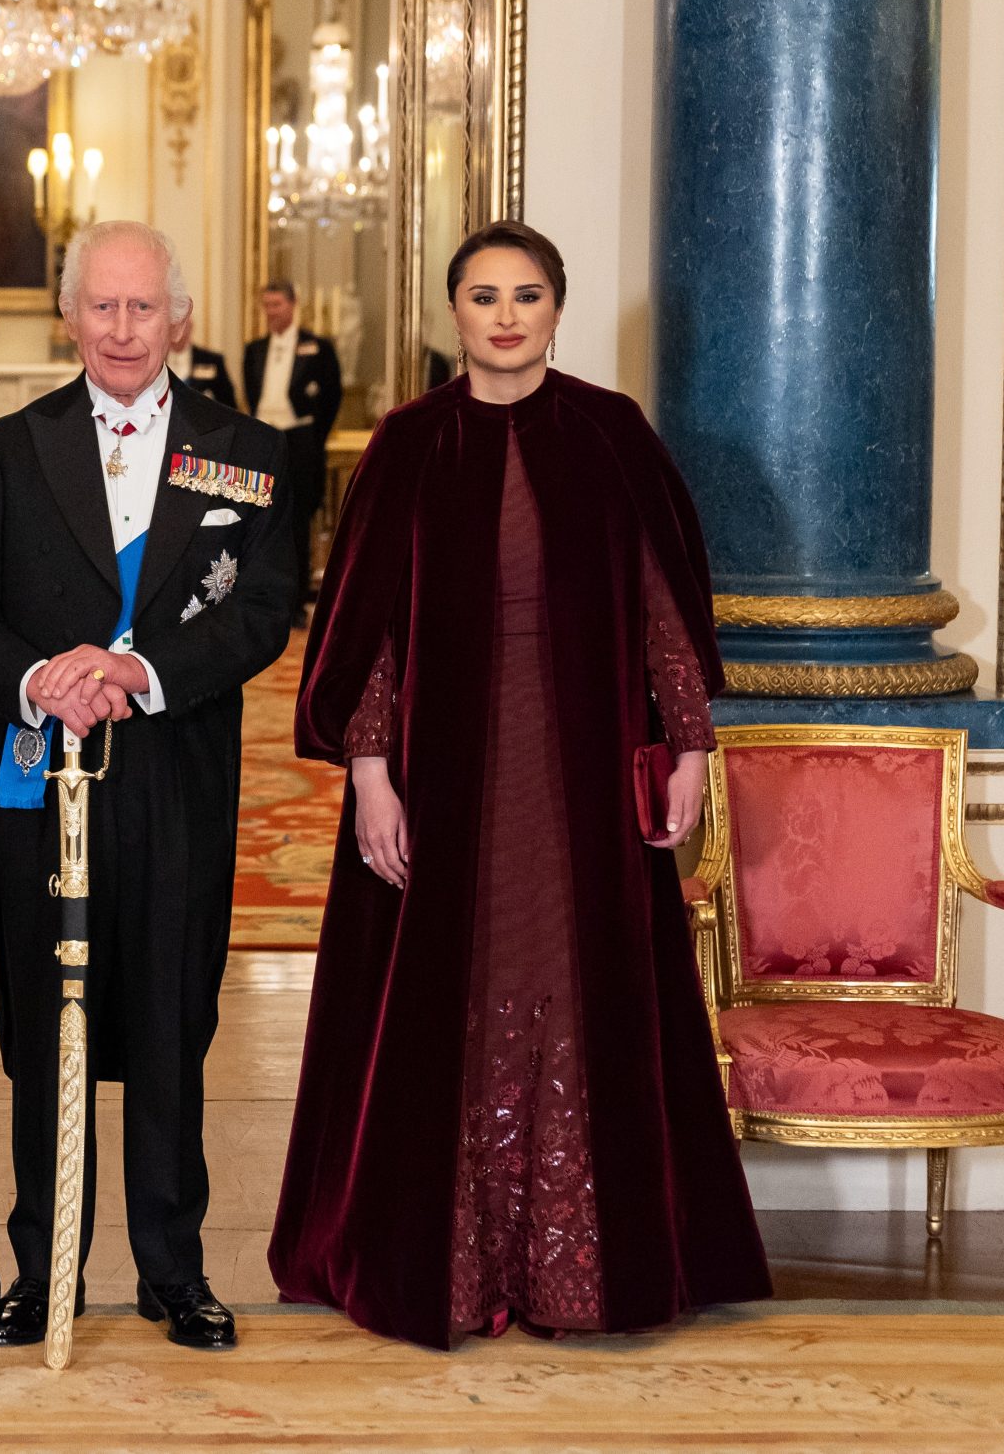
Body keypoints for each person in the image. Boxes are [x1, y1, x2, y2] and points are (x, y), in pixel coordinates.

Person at [267, 219, 769, 1348]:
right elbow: (368, 639)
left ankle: (581, 1277)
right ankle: (447, 1267)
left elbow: (662, 609)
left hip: (581, 774)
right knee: (451, 988)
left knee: (575, 981)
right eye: (483, 294)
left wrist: (688, 749)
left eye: (526, 294)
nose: (504, 315)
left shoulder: (611, 434)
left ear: (555, 308)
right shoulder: (404, 445)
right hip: (442, 780)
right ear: (453, 312)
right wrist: (371, 778)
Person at [0, 220, 296, 1352]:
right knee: (45, 1032)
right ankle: (40, 1274)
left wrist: (139, 672)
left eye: (144, 308)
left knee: (171, 1022)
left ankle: (172, 1270)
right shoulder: (8, 445)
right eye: (102, 307)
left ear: (177, 318)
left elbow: (260, 611)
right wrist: (42, 676)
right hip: (44, 779)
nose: (123, 329)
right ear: (69, 315)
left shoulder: (242, 451)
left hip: (175, 772)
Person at [240, 282, 344, 609]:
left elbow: (332, 396)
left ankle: (296, 602)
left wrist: (313, 437)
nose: (272, 312)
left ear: (293, 304)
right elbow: (250, 395)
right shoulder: (254, 350)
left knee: (297, 521)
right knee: (258, 521)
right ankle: (261, 598)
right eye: (266, 306)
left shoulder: (318, 346)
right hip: (264, 440)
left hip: (300, 440)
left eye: (277, 305)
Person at [169, 325, 238, 409]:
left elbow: (228, 402)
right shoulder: (157, 360)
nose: (178, 333)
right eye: (173, 327)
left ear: (191, 328)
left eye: (182, 326)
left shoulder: (211, 361)